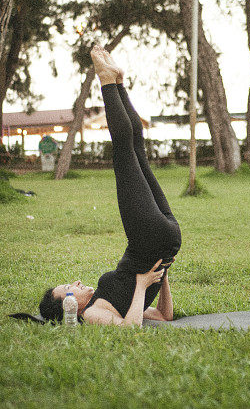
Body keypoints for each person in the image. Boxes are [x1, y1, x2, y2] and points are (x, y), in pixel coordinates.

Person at [38, 43, 181, 326]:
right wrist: (148, 282)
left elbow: (161, 316)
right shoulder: (91, 315)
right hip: (151, 238)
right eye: (68, 289)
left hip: (161, 238)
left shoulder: (101, 299)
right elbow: (135, 326)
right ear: (69, 307)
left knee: (135, 151)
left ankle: (117, 82)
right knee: (125, 153)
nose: (75, 282)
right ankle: (106, 81)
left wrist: (159, 275)